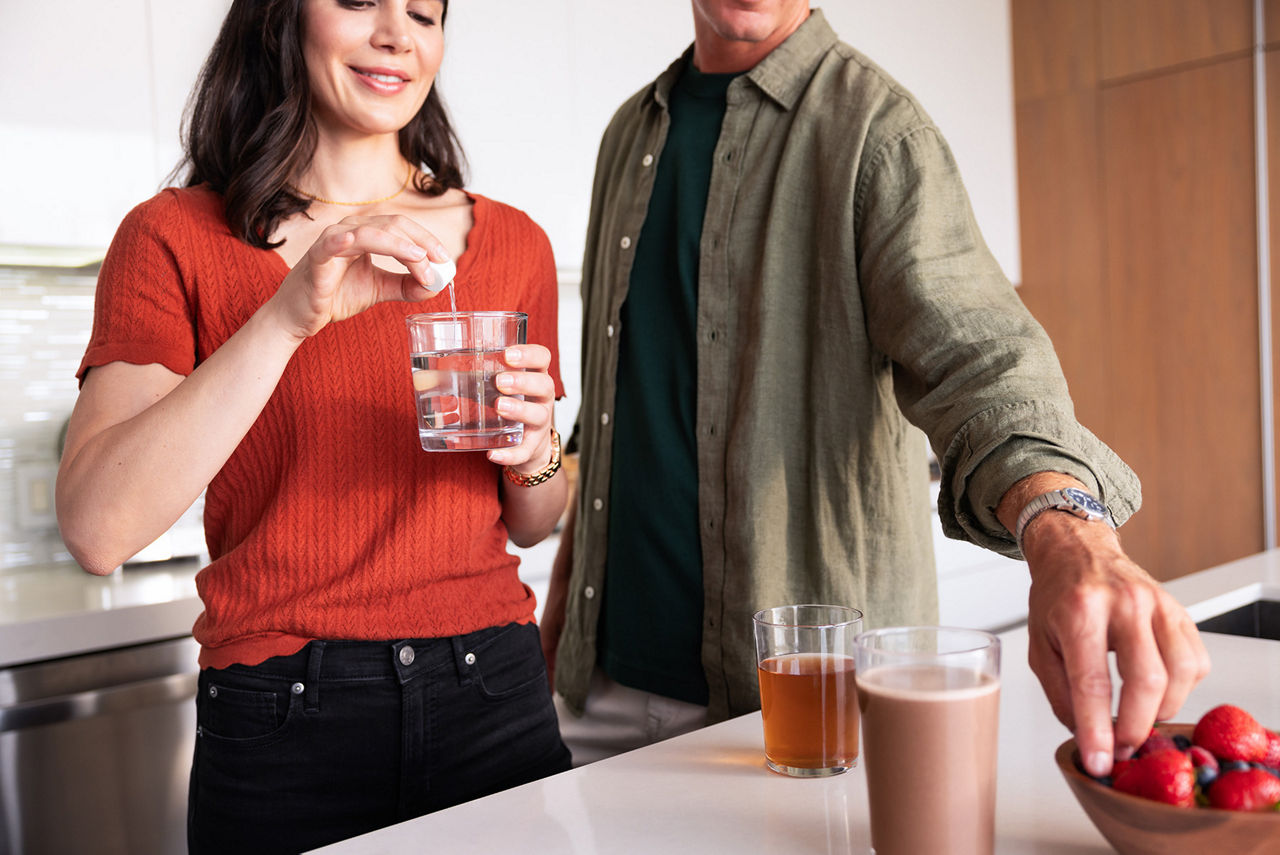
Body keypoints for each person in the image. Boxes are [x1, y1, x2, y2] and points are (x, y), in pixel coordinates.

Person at [542, 0, 1211, 779]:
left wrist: (1071, 532)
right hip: (600, 687)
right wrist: (563, 609)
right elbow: (616, 401)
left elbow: (983, 362)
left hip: (800, 704)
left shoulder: (880, 132)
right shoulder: (630, 134)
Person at [54, 0, 570, 850]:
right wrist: (288, 316)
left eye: (424, 13)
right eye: (361, 1)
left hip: (494, 697)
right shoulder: (174, 237)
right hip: (284, 722)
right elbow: (97, 529)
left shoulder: (512, 242)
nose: (399, 35)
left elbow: (533, 520)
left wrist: (536, 452)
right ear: (282, 16)